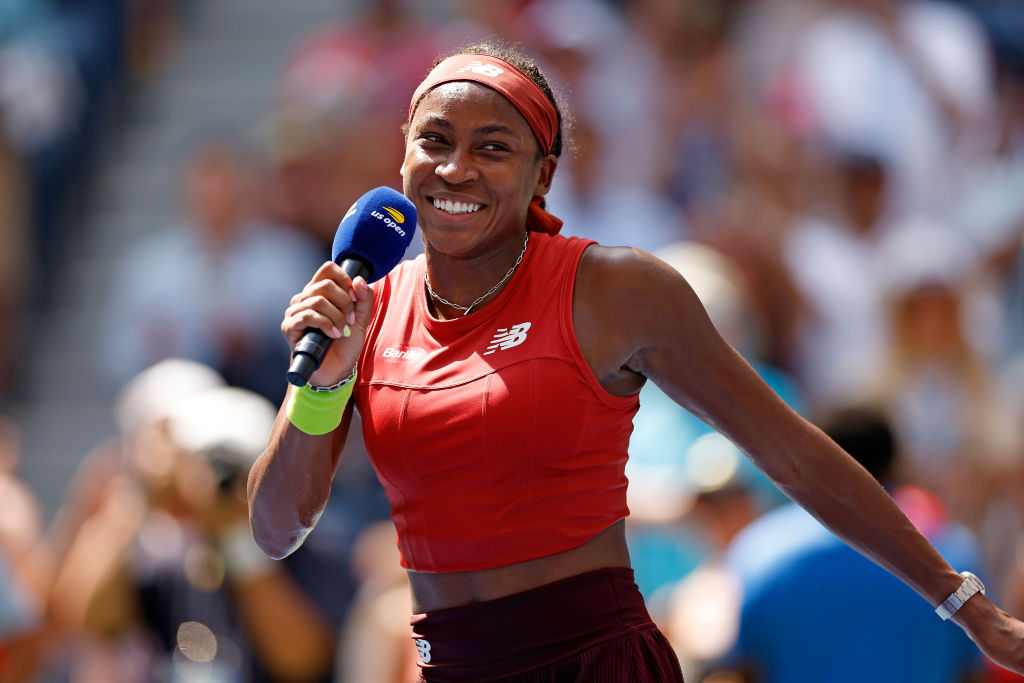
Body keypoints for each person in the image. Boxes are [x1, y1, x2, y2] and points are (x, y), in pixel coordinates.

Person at [247, 41, 1024, 682]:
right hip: (446, 666)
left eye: (494, 147)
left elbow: (790, 452)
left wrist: (966, 605)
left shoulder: (614, 290)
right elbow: (276, 527)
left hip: (597, 664)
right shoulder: (365, 312)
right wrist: (321, 383)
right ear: (405, 155)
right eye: (435, 142)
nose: (456, 169)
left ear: (543, 173)